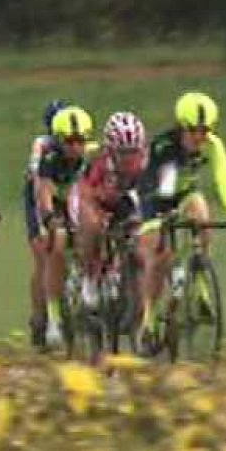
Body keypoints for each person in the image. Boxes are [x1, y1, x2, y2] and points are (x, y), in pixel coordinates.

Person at [136, 92, 226, 346]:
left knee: (201, 213)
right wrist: (166, 217)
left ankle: (199, 284)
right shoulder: (164, 146)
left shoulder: (213, 144)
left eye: (205, 130)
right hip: (155, 198)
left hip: (185, 193)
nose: (200, 137)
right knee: (160, 256)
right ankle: (149, 317)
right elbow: (163, 185)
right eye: (193, 131)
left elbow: (223, 177)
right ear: (181, 127)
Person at [25, 103, 92, 349]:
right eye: (69, 142)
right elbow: (41, 191)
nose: (76, 147)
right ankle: (42, 317)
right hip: (42, 196)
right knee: (47, 251)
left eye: (80, 141)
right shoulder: (45, 151)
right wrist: (50, 219)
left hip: (71, 198)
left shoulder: (88, 155)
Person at [71, 111, 148, 314]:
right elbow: (86, 193)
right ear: (111, 150)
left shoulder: (146, 162)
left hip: (124, 201)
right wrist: (99, 212)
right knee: (93, 225)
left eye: (134, 151)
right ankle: (89, 277)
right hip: (92, 196)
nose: (129, 157)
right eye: (123, 152)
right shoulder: (98, 161)